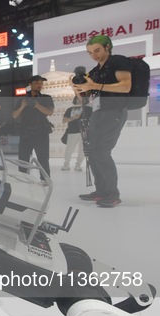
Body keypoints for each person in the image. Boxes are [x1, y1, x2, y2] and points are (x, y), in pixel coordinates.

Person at [72, 35, 131, 208]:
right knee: (92, 152)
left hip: (114, 111)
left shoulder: (118, 62)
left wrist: (95, 86)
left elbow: (125, 86)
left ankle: (113, 194)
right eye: (90, 52)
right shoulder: (95, 71)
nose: (94, 55)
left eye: (97, 50)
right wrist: (78, 89)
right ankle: (101, 191)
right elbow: (87, 98)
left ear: (107, 47)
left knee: (102, 152)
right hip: (98, 112)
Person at [12, 75, 55, 180]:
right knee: (23, 158)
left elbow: (49, 112)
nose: (39, 85)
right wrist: (22, 106)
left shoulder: (46, 98)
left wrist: (36, 105)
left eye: (41, 83)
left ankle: (45, 180)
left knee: (43, 158)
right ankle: (24, 178)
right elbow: (14, 115)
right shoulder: (23, 99)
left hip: (41, 131)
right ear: (30, 85)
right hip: (25, 132)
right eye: (36, 83)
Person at [61, 95, 91, 171]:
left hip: (84, 131)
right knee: (69, 149)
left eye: (82, 99)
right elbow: (64, 120)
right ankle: (66, 164)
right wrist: (73, 117)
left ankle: (78, 165)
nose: (80, 100)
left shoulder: (89, 109)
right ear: (75, 99)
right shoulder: (70, 109)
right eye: (78, 98)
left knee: (83, 149)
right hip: (72, 131)